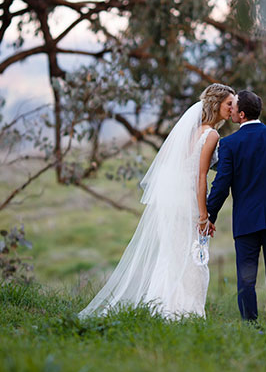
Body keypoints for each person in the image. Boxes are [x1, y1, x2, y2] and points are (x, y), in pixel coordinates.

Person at [78, 84, 235, 321]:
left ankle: (162, 307)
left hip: (171, 200)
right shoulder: (211, 134)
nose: (233, 108)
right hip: (189, 201)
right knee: (194, 257)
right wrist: (204, 215)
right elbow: (199, 176)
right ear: (216, 104)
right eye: (229, 104)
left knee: (171, 255)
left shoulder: (190, 132)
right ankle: (186, 312)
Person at [205, 90, 266, 324]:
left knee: (246, 279)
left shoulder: (229, 144)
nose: (230, 110)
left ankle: (251, 328)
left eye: (234, 107)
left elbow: (222, 184)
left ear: (241, 114)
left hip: (246, 222)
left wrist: (210, 215)